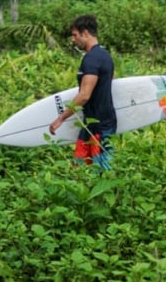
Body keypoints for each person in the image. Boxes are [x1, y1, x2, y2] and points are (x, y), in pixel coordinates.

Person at [48, 13, 117, 168]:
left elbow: (84, 95)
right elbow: (110, 80)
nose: (73, 39)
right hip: (91, 123)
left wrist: (61, 118)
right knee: (79, 166)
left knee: (103, 170)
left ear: (85, 33)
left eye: (75, 35)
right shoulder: (105, 55)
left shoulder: (91, 58)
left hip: (99, 125)